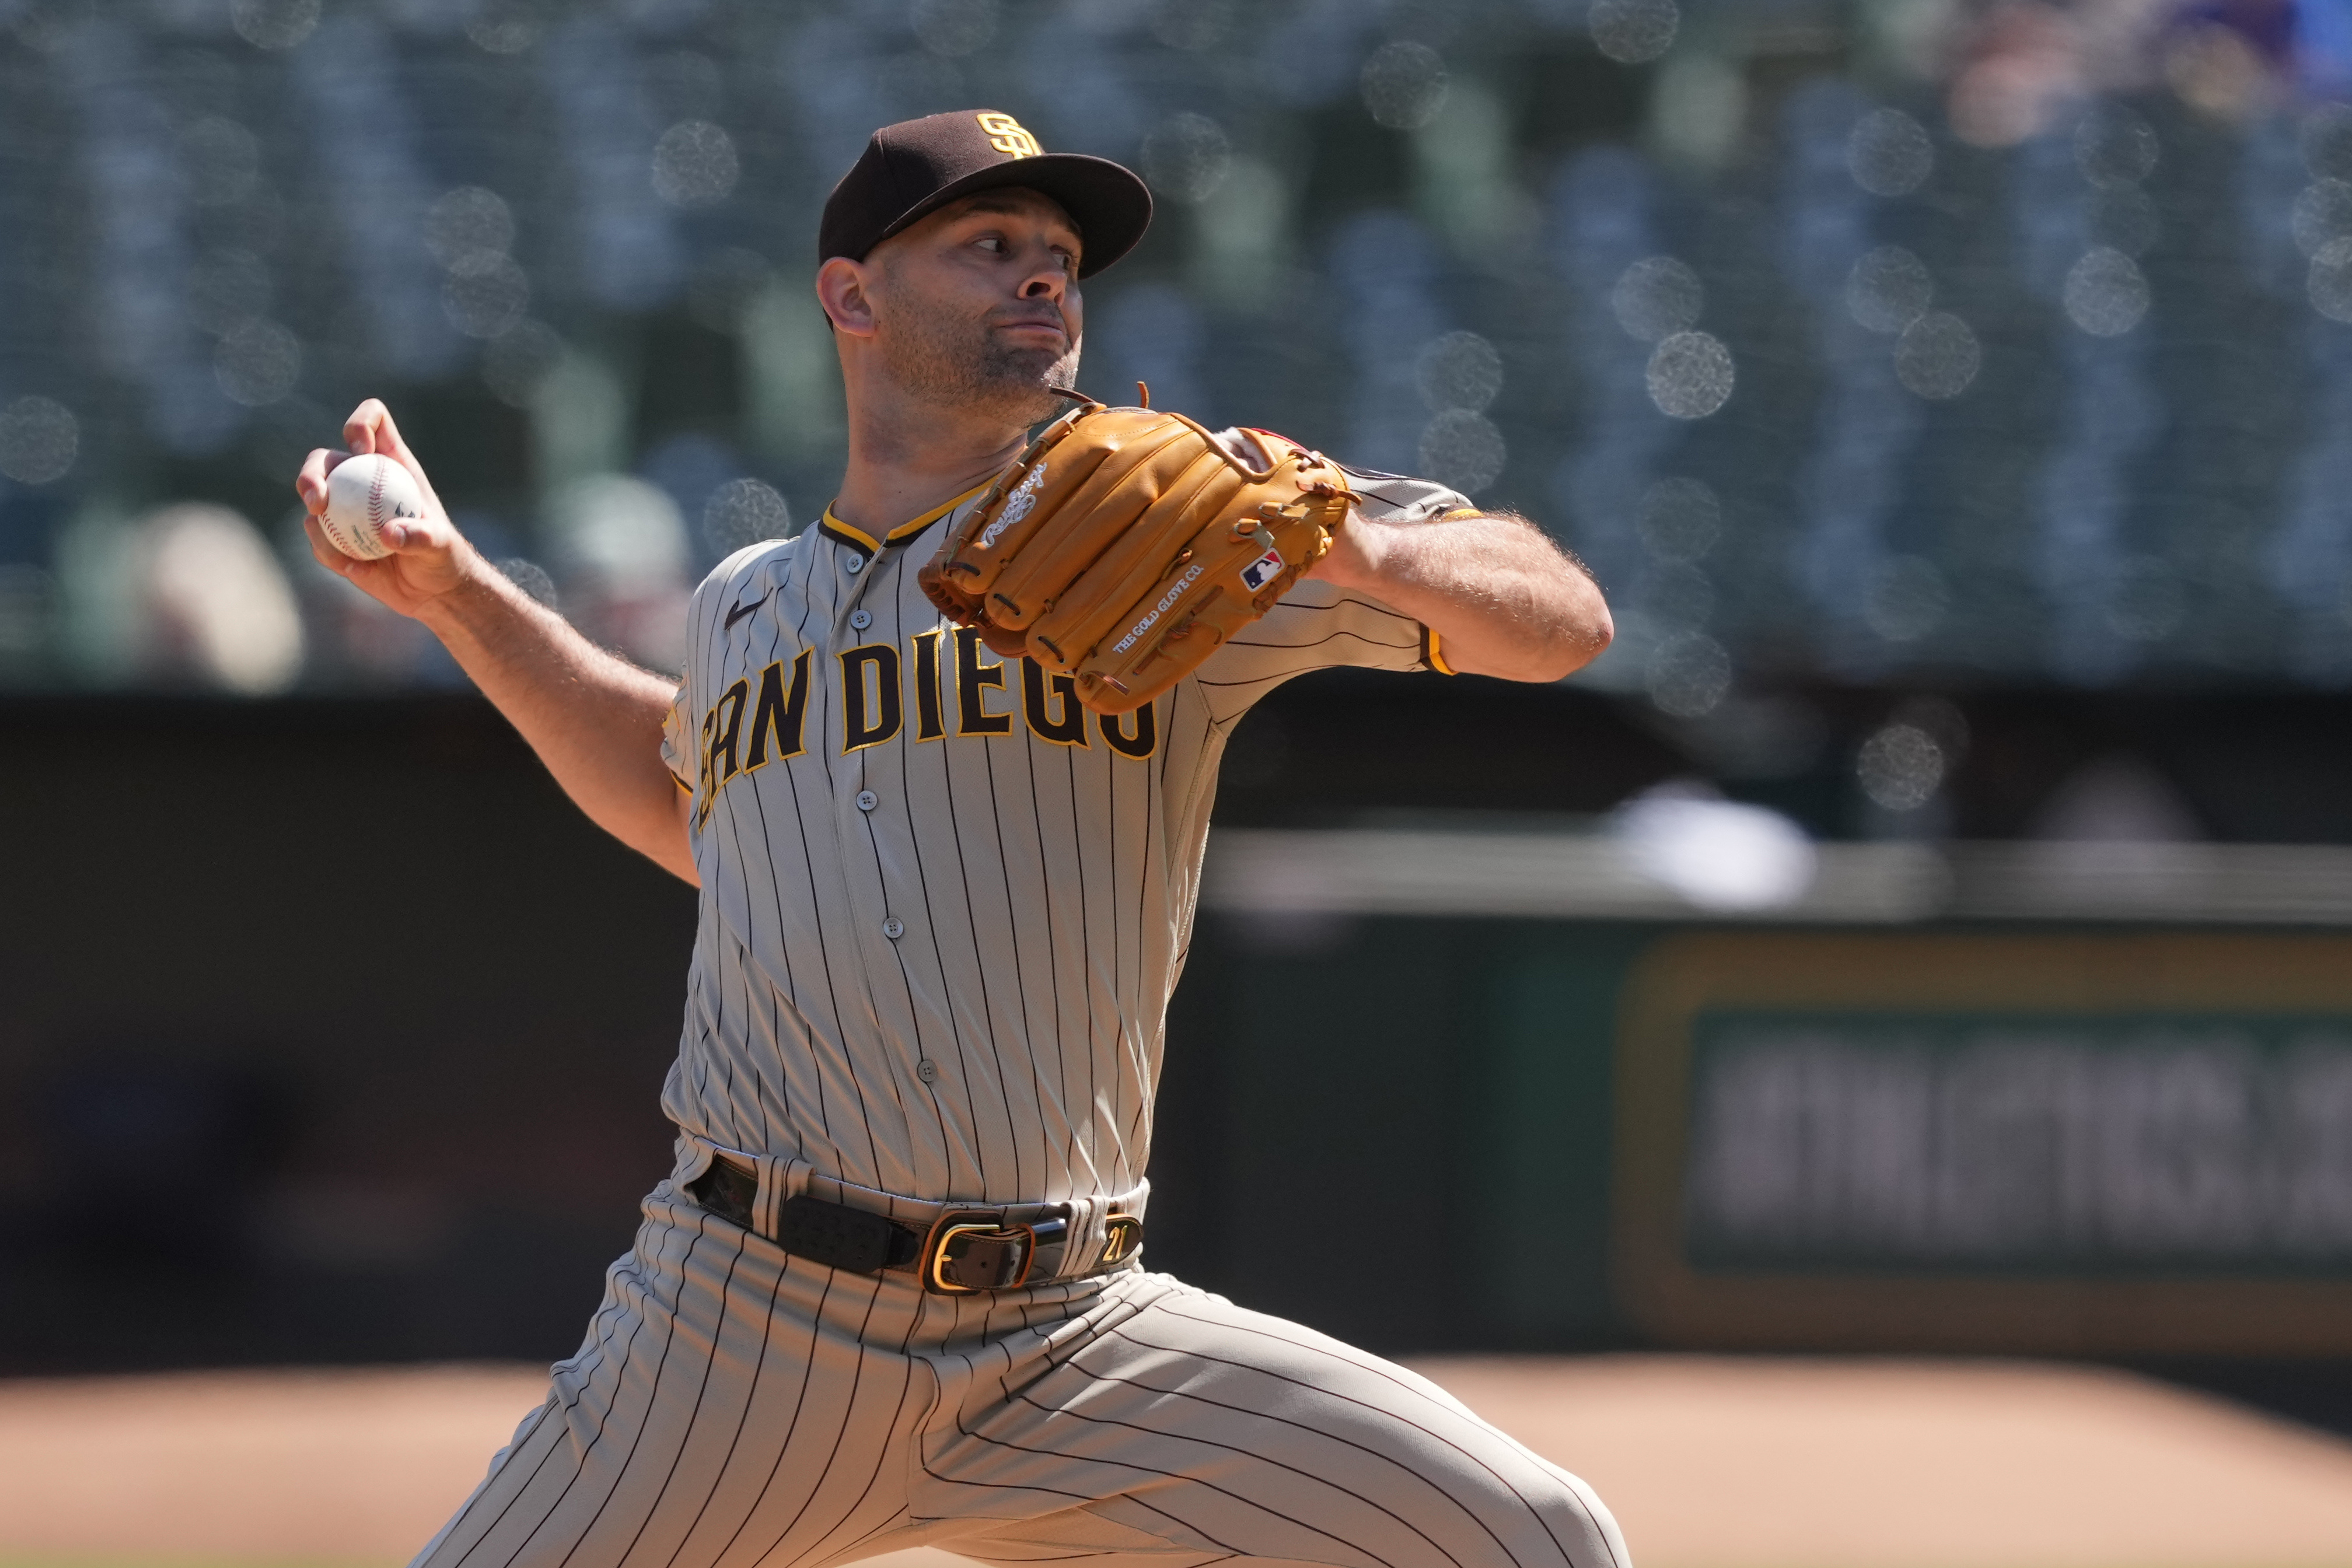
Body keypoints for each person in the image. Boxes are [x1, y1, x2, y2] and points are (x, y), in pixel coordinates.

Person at [299, 110, 1623, 1568]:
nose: (1043, 278)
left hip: (1080, 1335)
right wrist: (457, 596)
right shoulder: (745, 602)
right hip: (746, 1324)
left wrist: (1353, 539)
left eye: (1059, 258)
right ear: (851, 298)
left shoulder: (1183, 530)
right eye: (990, 246)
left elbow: (1559, 622)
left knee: (1535, 1541)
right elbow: (693, 808)